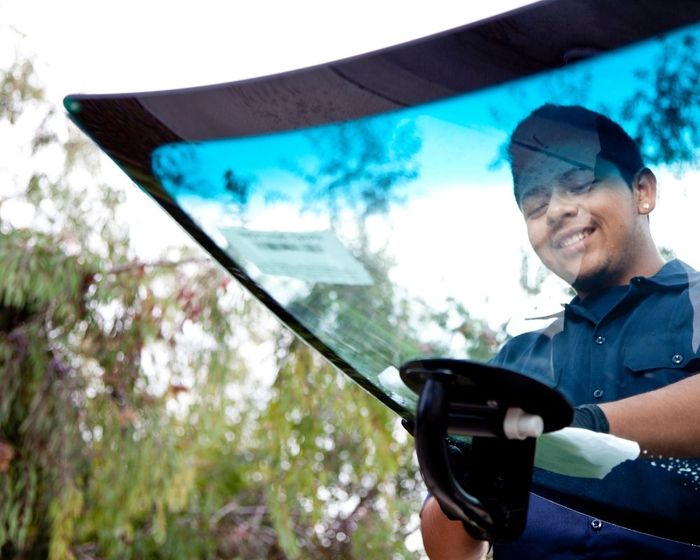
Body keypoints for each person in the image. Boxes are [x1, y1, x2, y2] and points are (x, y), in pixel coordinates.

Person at [420, 104, 700, 559]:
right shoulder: (514, 361)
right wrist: (453, 462)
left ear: (642, 191)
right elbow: (451, 552)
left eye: (579, 183)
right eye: (535, 204)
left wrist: (583, 429)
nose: (556, 210)